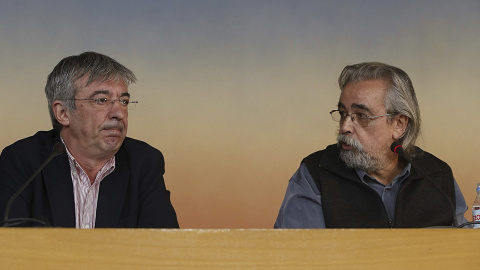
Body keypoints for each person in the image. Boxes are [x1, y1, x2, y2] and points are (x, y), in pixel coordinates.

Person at [275, 62, 468, 228]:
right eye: (343, 113)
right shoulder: (316, 173)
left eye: (361, 116)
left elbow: (467, 250)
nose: (345, 126)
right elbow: (297, 256)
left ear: (399, 124)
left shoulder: (436, 175)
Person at [0, 52, 179, 228]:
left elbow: (166, 249)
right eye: (102, 100)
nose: (118, 113)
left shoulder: (143, 162)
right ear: (63, 113)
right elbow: (9, 248)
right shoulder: (22, 160)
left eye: (124, 101)